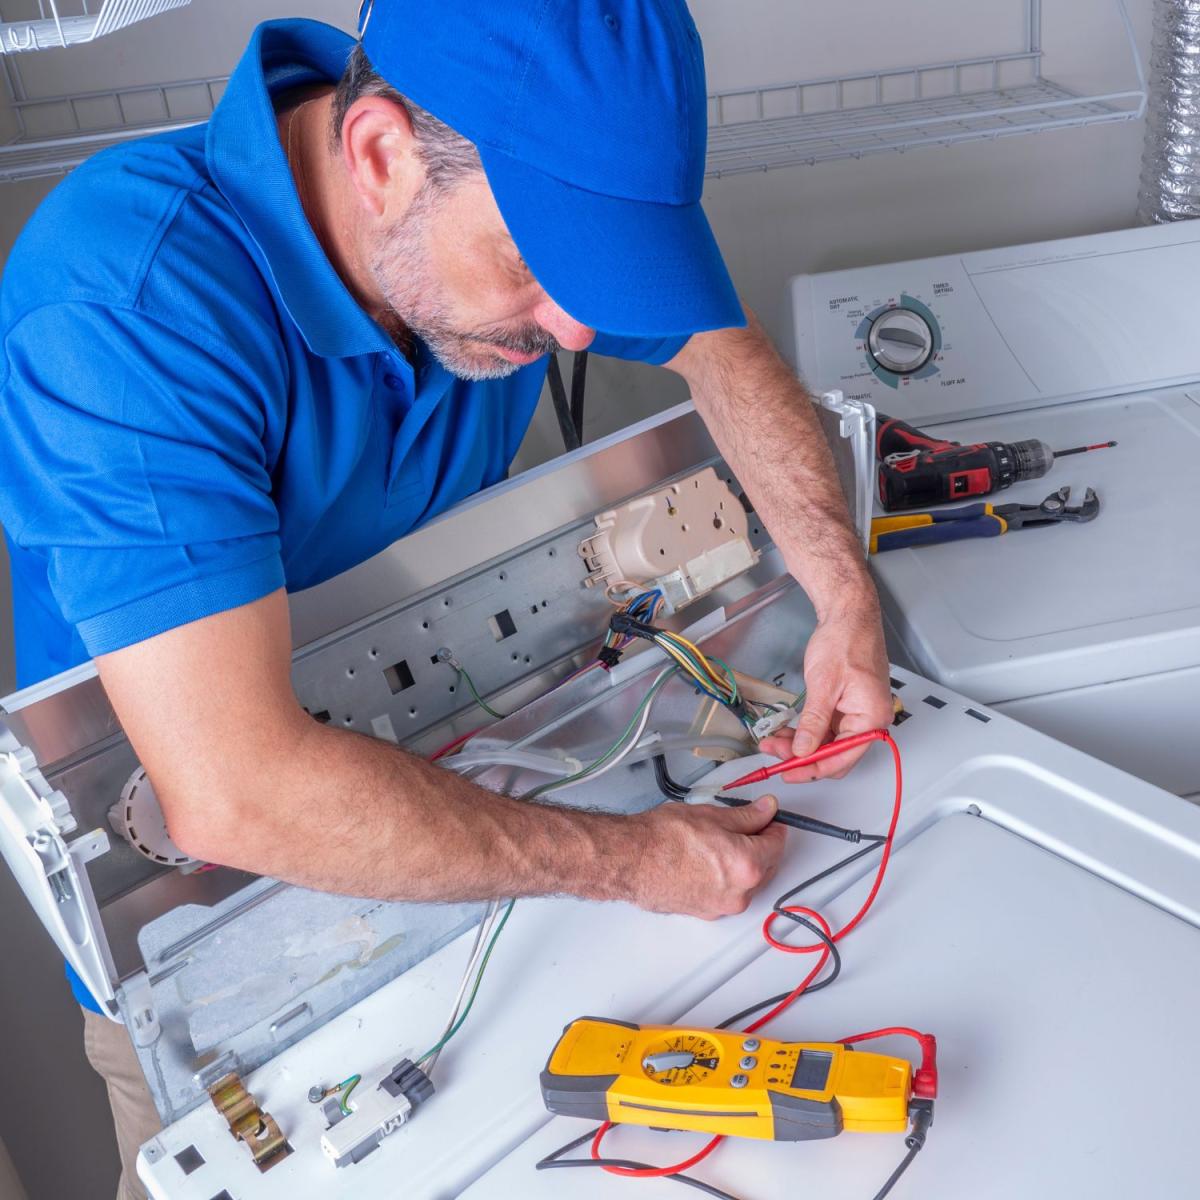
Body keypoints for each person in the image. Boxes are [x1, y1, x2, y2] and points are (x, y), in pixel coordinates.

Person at [0, 3, 892, 1196]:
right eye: (537, 269)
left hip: (488, 832)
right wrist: (629, 864)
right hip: (221, 953)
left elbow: (721, 354)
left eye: (595, 272)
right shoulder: (125, 306)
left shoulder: (506, 182)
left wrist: (842, 597)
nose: (579, 324)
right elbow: (230, 795)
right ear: (378, 154)